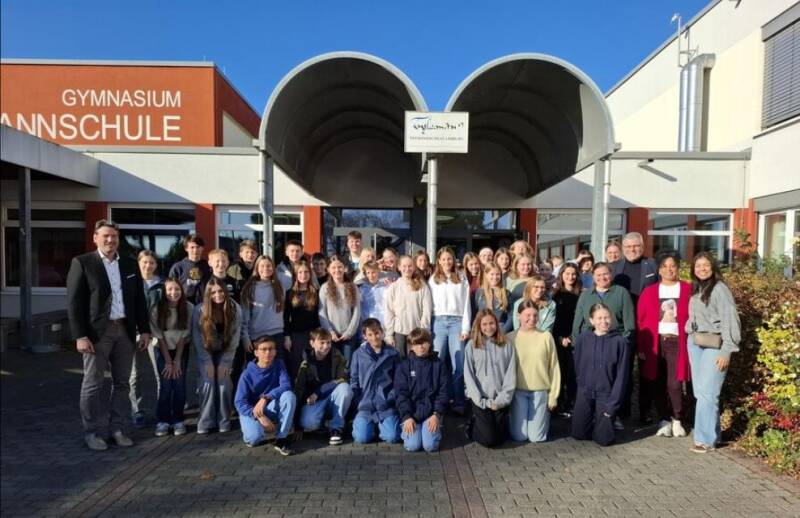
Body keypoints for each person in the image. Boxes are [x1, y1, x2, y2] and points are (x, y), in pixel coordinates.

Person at [67, 219, 151, 451]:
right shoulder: (83, 263)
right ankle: (92, 432)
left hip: (125, 331)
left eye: (114, 236)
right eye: (105, 236)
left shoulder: (130, 264)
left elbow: (139, 300)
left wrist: (144, 330)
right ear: (95, 238)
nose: (110, 240)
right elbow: (74, 303)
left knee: (122, 383)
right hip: (96, 334)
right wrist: (80, 335)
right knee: (92, 384)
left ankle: (117, 429)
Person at [685, 252, 741, 454]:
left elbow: (730, 320)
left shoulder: (720, 289)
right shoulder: (697, 288)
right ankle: (714, 435)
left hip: (715, 344)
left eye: (706, 265)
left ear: (713, 267)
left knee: (708, 392)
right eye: (698, 265)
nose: (702, 268)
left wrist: (727, 350)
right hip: (696, 342)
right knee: (700, 392)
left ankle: (704, 440)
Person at [572, 262, 635, 430]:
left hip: (613, 342)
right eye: (598, 275)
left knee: (612, 382)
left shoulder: (621, 293)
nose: (602, 277)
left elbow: (629, 324)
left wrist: (620, 343)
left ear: (611, 274)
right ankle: (589, 414)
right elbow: (577, 323)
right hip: (590, 343)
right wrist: (577, 344)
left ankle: (613, 414)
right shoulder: (586, 295)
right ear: (593, 277)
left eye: (605, 274)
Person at [637, 254, 691, 438]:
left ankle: (677, 419)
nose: (669, 269)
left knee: (674, 383)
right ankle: (664, 419)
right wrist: (641, 347)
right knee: (657, 381)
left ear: (678, 268)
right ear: (659, 270)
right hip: (656, 342)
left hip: (677, 342)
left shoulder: (687, 289)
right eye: (665, 266)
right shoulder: (650, 291)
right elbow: (641, 321)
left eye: (673, 265)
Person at [571, 303, 630, 446]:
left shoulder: (620, 342)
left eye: (607, 317)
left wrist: (612, 405)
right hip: (585, 391)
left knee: (604, 440)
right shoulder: (583, 338)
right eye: (599, 318)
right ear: (591, 320)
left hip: (606, 394)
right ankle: (593, 420)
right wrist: (582, 386)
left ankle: (605, 421)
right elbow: (577, 364)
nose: (604, 321)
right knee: (579, 434)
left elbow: (622, 376)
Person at [192, 277, 242, 434]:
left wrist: (225, 363)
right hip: (206, 351)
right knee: (207, 381)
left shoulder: (235, 308)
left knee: (223, 381)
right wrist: (207, 362)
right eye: (213, 293)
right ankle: (206, 421)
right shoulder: (199, 310)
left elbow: (235, 339)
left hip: (226, 351)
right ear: (208, 295)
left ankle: (223, 420)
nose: (218, 295)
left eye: (220, 291)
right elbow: (198, 339)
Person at [234, 336, 296, 455]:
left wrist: (265, 398)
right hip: (251, 410)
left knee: (289, 396)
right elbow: (239, 402)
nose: (268, 352)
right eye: (264, 349)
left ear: (275, 351)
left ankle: (281, 438)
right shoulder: (246, 374)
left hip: (268, 405)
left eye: (271, 349)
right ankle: (253, 429)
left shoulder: (279, 364)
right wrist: (259, 416)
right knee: (254, 438)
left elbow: (286, 385)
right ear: (256, 353)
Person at [428, 246, 472, 414]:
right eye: (444, 259)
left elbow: (466, 304)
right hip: (438, 322)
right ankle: (437, 402)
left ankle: (459, 402)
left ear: (453, 260)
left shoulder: (461, 278)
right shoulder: (433, 279)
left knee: (458, 365)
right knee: (437, 362)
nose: (447, 262)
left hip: (457, 323)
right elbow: (429, 304)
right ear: (439, 261)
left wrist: (465, 328)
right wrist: (428, 327)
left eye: (449, 258)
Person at [509, 301, 560, 443]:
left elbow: (554, 367)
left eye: (535, 315)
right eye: (528, 315)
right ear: (519, 316)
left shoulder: (546, 337)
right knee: (519, 437)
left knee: (536, 438)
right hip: (518, 392)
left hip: (540, 391)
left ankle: (543, 416)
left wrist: (553, 396)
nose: (532, 319)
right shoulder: (510, 338)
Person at [464, 309, 516, 448]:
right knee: (490, 440)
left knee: (501, 439)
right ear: (479, 326)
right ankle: (472, 427)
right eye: (484, 324)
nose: (488, 327)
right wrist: (480, 400)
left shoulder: (507, 345)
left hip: (499, 400)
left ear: (497, 324)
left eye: (491, 323)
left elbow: (510, 376)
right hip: (480, 400)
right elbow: (468, 376)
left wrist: (501, 401)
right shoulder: (471, 345)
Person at [294, 328, 352, 446]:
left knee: (345, 388)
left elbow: (343, 378)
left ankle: (336, 429)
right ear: (312, 343)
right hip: (314, 403)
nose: (326, 346)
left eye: (328, 342)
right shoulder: (305, 362)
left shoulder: (337, 356)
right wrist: (297, 426)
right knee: (308, 423)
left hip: (332, 399)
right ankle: (324, 424)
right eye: (322, 342)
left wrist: (318, 392)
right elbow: (298, 391)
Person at [395, 328, 449, 452]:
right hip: (412, 413)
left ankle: (435, 428)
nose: (421, 347)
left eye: (424, 342)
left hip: (431, 413)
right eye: (416, 343)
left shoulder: (438, 365)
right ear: (411, 346)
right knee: (413, 445)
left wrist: (436, 414)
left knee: (430, 446)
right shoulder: (404, 366)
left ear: (429, 343)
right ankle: (408, 430)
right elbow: (401, 394)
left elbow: (443, 393)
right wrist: (407, 416)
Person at [151, 278, 193, 437]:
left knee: (179, 384)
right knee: (166, 385)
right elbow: (159, 337)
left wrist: (177, 360)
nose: (173, 293)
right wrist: (168, 361)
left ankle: (178, 419)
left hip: (180, 349)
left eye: (177, 289)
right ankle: (163, 420)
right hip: (162, 350)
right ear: (164, 291)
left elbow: (184, 336)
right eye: (169, 289)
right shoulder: (157, 309)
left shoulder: (188, 308)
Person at [235, 256, 285, 390]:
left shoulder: (279, 286)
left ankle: (275, 398)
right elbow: (244, 317)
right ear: (256, 268)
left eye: (268, 266)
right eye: (262, 266)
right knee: (257, 374)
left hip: (277, 334)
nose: (265, 269)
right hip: (257, 337)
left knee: (277, 372)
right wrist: (245, 338)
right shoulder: (249, 288)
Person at [350, 319, 401, 444]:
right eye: (370, 335)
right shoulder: (358, 354)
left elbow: (399, 381)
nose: (374, 338)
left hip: (386, 404)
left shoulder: (393, 354)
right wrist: (358, 400)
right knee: (361, 438)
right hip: (365, 404)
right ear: (364, 336)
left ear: (382, 332)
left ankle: (382, 426)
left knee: (393, 437)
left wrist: (391, 397)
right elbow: (354, 380)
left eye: (377, 333)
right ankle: (368, 426)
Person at [130, 250, 163, 428]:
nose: (148, 266)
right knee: (135, 375)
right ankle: (137, 411)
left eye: (151, 263)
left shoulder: (162, 285)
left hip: (155, 335)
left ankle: (162, 409)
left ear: (156, 265)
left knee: (160, 374)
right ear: (139, 263)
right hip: (133, 334)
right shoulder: (130, 282)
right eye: (144, 262)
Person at [384, 255, 433, 356]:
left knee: (416, 360)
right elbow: (389, 311)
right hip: (399, 331)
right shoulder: (394, 287)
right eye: (404, 266)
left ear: (414, 267)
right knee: (400, 361)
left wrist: (424, 330)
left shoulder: (422, 286)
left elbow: (427, 310)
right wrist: (389, 334)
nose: (407, 269)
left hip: (417, 332)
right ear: (399, 267)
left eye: (410, 266)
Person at [318, 255, 361, 364]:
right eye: (333, 267)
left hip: (348, 335)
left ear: (345, 268)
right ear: (328, 269)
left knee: (347, 364)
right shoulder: (324, 288)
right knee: (333, 365)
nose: (337, 270)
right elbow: (322, 312)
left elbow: (357, 311)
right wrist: (330, 332)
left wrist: (349, 332)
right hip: (331, 336)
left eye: (340, 267)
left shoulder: (352, 286)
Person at [551, 263, 582, 417]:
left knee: (573, 373)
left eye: (573, 274)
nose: (570, 277)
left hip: (575, 339)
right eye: (567, 274)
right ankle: (559, 403)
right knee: (560, 372)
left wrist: (571, 337)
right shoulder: (555, 295)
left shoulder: (582, 295)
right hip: (558, 339)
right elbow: (553, 320)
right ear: (561, 275)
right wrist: (559, 338)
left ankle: (572, 403)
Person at [283, 263, 321, 381]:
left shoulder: (315, 292)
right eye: (300, 272)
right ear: (295, 275)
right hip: (296, 334)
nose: (303, 275)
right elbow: (286, 317)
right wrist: (287, 336)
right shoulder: (290, 293)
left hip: (312, 334)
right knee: (296, 364)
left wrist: (318, 335)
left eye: (306, 272)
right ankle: (296, 389)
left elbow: (318, 316)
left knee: (312, 364)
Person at [612, 232, 658, 307]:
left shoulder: (653, 264)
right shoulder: (613, 267)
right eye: (628, 246)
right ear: (623, 248)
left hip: (646, 309)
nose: (632, 249)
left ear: (642, 247)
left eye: (636, 246)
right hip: (622, 310)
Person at [168, 234, 211, 304]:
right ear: (186, 248)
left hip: (204, 304)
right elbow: (170, 287)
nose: (195, 250)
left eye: (198, 247)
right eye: (192, 247)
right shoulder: (178, 267)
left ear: (202, 248)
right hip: (184, 305)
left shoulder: (208, 266)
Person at [472, 262, 513, 334]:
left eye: (497, 274)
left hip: (500, 329)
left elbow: (511, 316)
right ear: (486, 275)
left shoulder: (506, 293)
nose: (495, 277)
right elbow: (475, 314)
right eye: (492, 274)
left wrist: (503, 331)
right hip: (483, 330)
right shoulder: (480, 292)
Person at [359, 260, 388, 329]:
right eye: (368, 273)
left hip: (383, 323)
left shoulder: (385, 287)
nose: (371, 275)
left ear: (378, 272)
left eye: (373, 272)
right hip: (367, 323)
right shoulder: (362, 289)